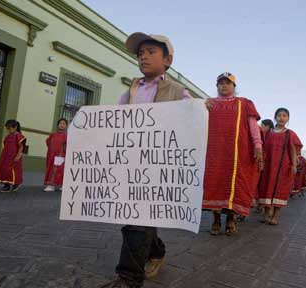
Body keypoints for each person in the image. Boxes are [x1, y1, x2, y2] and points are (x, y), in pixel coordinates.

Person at [100, 32, 192, 288]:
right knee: (139, 218)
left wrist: (202, 114)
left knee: (136, 220)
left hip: (159, 169)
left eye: (151, 51)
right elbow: (113, 126)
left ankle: (129, 277)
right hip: (131, 165)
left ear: (167, 60)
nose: (143, 56)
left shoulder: (178, 92)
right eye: (140, 53)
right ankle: (157, 251)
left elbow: (191, 125)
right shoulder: (128, 92)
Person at [202, 72, 262, 235]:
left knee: (234, 185)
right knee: (215, 183)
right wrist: (200, 106)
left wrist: (258, 145)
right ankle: (215, 220)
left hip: (237, 153)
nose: (224, 85)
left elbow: (253, 127)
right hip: (214, 153)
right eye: (220, 83)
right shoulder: (209, 104)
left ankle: (230, 219)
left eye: (228, 83)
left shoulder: (244, 104)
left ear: (234, 86)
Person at [258, 108, 302, 225]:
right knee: (265, 187)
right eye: (279, 115)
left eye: (284, 116)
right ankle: (267, 213)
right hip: (268, 166)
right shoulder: (268, 133)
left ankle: (275, 216)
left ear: (288, 119)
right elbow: (262, 148)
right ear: (275, 117)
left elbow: (293, 150)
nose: (282, 118)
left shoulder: (289, 134)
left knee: (280, 190)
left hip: (283, 167)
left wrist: (293, 164)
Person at [0, 120, 26, 192]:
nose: (8, 130)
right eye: (7, 129)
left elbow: (21, 147)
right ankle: (6, 185)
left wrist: (18, 156)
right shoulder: (8, 136)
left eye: (10, 128)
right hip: (6, 157)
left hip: (14, 156)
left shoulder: (19, 136)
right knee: (4, 170)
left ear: (15, 127)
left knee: (12, 171)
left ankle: (15, 184)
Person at [44, 118, 68, 192]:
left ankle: (62, 185)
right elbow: (48, 142)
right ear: (58, 125)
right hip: (52, 156)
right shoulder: (53, 135)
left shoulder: (67, 136)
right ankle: (50, 185)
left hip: (62, 156)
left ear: (66, 126)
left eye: (64, 124)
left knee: (61, 170)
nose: (62, 125)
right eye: (60, 123)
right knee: (51, 169)